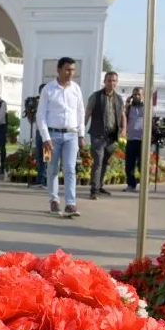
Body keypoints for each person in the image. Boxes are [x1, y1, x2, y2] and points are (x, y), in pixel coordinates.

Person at [36, 57, 86, 217]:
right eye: (67, 69)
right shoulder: (48, 89)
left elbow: (81, 113)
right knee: (52, 168)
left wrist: (81, 135)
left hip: (72, 135)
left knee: (70, 169)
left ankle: (71, 204)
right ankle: (54, 200)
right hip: (50, 136)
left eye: (73, 70)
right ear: (59, 70)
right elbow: (40, 115)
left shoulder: (76, 89)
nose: (70, 73)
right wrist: (45, 137)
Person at [86, 71, 126, 200]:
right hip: (98, 135)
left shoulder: (119, 98)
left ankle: (99, 186)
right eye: (109, 80)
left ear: (116, 82)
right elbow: (88, 113)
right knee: (98, 161)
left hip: (112, 137)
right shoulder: (96, 96)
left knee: (104, 162)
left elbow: (123, 115)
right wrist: (80, 132)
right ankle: (93, 190)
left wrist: (124, 130)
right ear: (104, 81)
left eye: (114, 80)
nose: (111, 83)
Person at [124, 87, 144, 192]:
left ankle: (144, 186)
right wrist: (127, 104)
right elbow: (123, 118)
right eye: (135, 94)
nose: (136, 96)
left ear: (142, 95)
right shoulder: (129, 108)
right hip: (131, 139)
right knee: (129, 164)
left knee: (142, 164)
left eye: (139, 94)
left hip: (142, 140)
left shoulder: (146, 108)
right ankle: (131, 185)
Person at [33, 83, 48, 189]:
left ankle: (46, 180)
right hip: (39, 132)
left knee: (47, 156)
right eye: (41, 91)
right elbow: (31, 119)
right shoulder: (37, 103)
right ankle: (39, 179)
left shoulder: (51, 103)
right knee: (39, 156)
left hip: (48, 133)